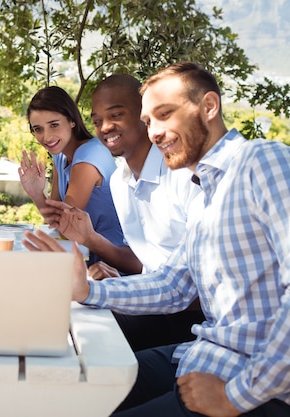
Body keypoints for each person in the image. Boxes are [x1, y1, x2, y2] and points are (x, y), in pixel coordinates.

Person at [24, 62, 290, 417]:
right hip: (203, 356)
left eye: (164, 114)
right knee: (64, 394)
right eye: (149, 120)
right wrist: (88, 291)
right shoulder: (205, 193)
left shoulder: (266, 163)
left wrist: (237, 395)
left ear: (209, 107)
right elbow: (174, 285)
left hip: (265, 388)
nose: (154, 131)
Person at [42, 75, 204, 351]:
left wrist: (118, 292)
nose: (105, 127)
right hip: (153, 300)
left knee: (79, 338)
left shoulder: (182, 176)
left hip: (190, 318)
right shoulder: (121, 180)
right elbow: (146, 263)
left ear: (144, 117)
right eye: (96, 120)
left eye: (116, 114)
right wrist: (92, 240)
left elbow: (186, 289)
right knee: (54, 315)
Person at [18, 86, 126, 266]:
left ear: (71, 121)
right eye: (38, 129)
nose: (46, 137)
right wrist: (36, 193)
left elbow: (66, 228)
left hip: (113, 262)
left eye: (54, 125)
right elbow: (55, 220)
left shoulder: (88, 157)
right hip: (86, 255)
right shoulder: (60, 155)